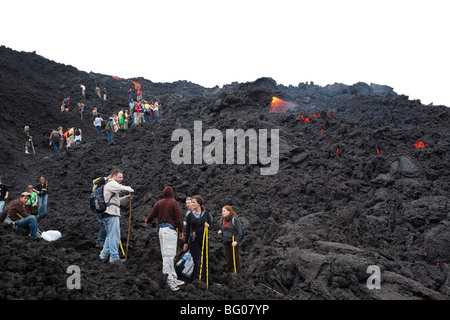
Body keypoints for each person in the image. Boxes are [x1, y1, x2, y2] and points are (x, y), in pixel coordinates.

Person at [145, 186, 185, 291]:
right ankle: (168, 280)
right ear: (172, 194)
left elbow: (150, 216)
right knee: (169, 255)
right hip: (170, 231)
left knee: (166, 255)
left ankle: (173, 277)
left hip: (161, 231)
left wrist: (147, 220)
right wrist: (181, 231)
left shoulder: (159, 203)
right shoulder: (174, 203)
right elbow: (179, 219)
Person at [99, 169, 134, 264]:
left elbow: (117, 202)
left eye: (122, 178)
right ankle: (114, 258)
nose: (121, 179)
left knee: (110, 236)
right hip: (111, 214)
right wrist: (130, 189)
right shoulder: (111, 183)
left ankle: (103, 255)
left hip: (107, 213)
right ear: (114, 176)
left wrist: (126, 198)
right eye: (119, 177)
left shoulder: (111, 186)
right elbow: (120, 187)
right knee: (114, 236)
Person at [183, 195, 213, 282]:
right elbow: (188, 230)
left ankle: (208, 280)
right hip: (193, 239)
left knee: (205, 260)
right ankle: (195, 280)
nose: (191, 204)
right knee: (196, 260)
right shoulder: (190, 215)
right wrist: (186, 242)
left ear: (199, 203)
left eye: (193, 202)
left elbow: (211, 226)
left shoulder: (206, 214)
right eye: (191, 202)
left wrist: (208, 226)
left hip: (204, 238)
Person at [218, 206, 244, 275]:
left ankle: (238, 275)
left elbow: (239, 232)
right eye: (222, 211)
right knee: (229, 260)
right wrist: (221, 231)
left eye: (224, 211)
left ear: (229, 212)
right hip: (226, 242)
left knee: (235, 259)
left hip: (233, 242)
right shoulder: (223, 220)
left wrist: (236, 241)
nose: (222, 213)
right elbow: (222, 228)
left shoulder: (234, 219)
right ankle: (228, 274)